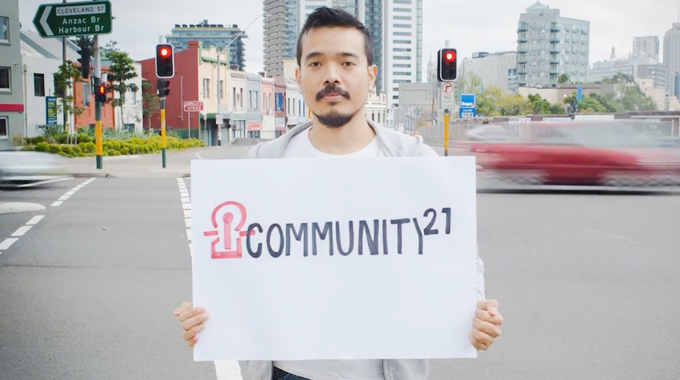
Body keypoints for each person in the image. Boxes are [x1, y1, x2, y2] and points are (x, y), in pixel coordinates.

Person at [174, 7, 503, 380]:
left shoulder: (412, 161)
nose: (332, 76)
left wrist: (473, 309)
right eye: (316, 64)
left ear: (370, 74)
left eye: (347, 63)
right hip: (285, 373)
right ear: (298, 76)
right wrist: (208, 317)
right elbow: (236, 270)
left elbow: (457, 256)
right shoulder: (263, 164)